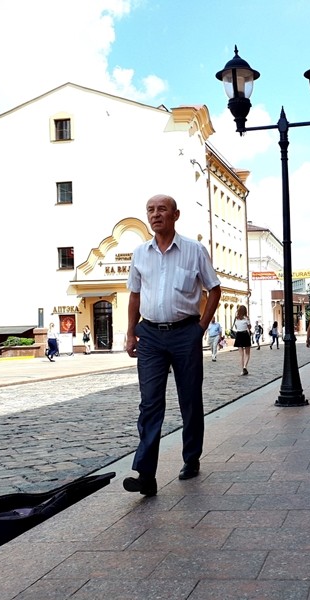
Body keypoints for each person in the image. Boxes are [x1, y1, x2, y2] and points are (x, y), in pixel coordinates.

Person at [123, 193, 221, 495]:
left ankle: (191, 458)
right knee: (150, 403)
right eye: (150, 210)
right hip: (150, 335)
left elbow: (214, 289)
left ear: (175, 215)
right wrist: (130, 332)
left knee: (189, 399)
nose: (155, 215)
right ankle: (146, 475)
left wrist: (200, 328)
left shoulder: (193, 250)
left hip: (184, 333)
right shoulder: (140, 253)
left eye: (162, 210)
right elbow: (135, 296)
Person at [232, 305, 252, 375]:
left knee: (241, 355)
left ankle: (242, 370)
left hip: (238, 335)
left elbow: (236, 326)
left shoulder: (236, 318)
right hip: (245, 334)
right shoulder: (246, 318)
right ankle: (245, 366)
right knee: (247, 353)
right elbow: (249, 327)